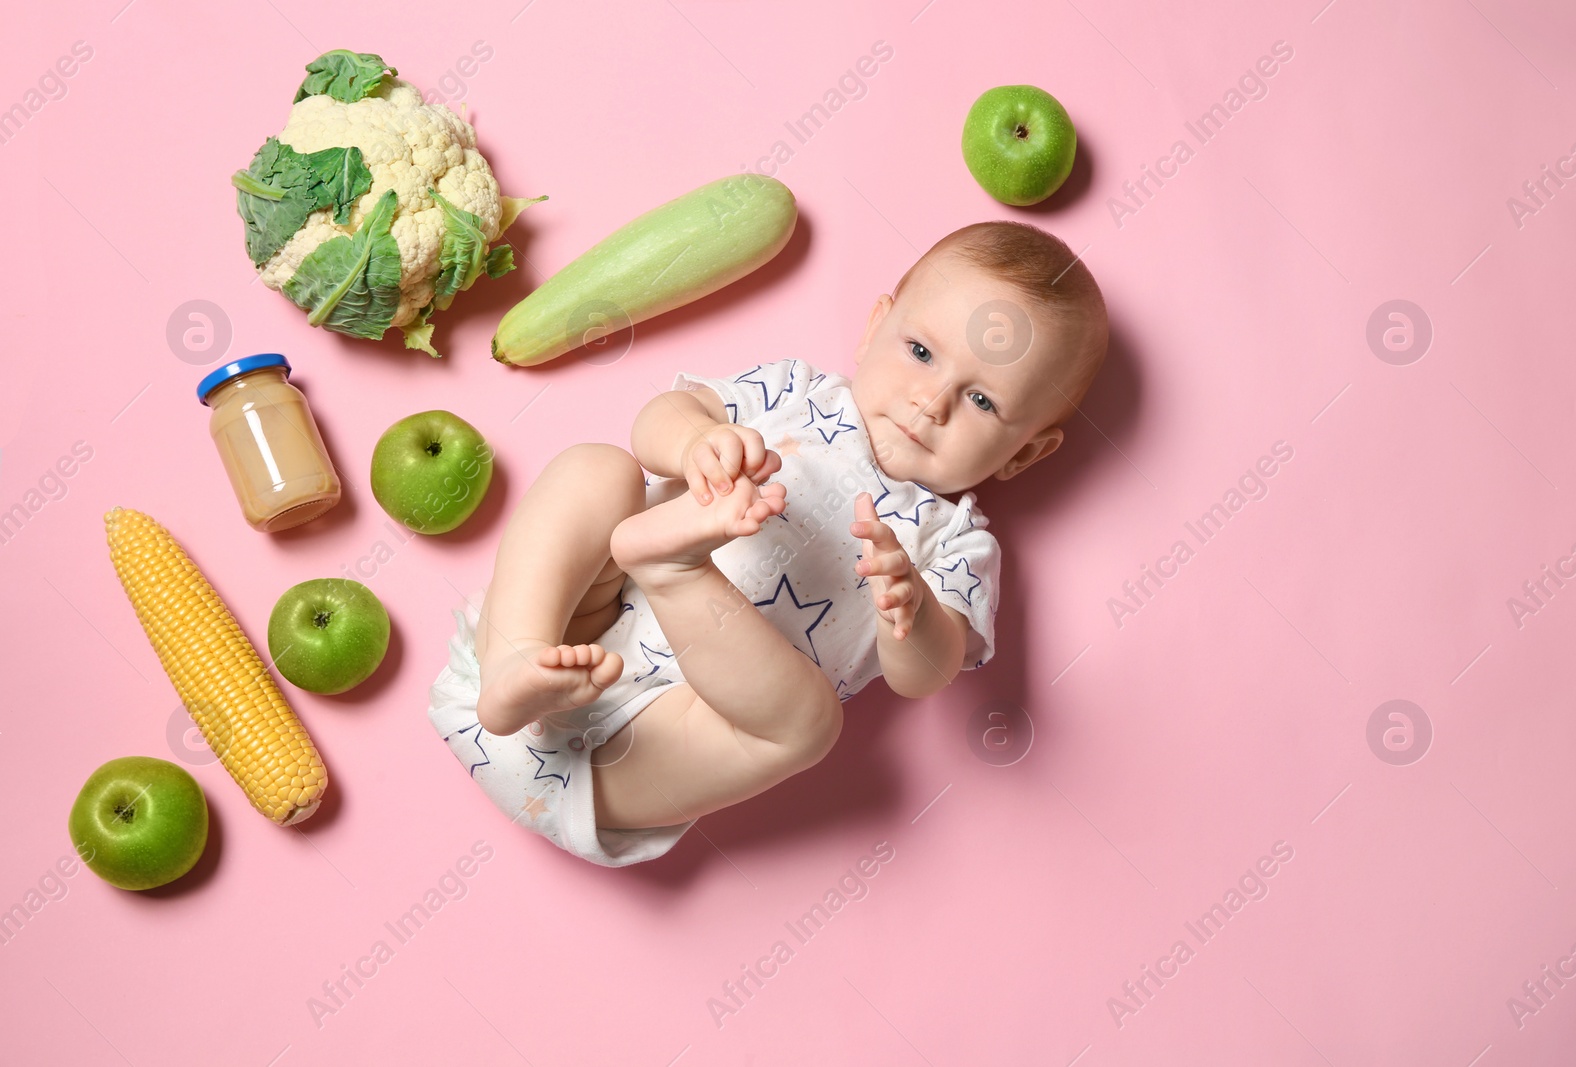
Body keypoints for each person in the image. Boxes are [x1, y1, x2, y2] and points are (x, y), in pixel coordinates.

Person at [427, 219, 1110, 866]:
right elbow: (657, 421)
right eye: (922, 352)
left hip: (631, 761)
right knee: (597, 468)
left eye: (983, 401)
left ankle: (673, 569)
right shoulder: (794, 391)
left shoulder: (955, 542)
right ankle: (513, 657)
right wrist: (694, 438)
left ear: (1023, 454)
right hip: (570, 638)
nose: (931, 402)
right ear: (876, 327)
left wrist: (913, 611)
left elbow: (924, 676)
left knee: (806, 724)